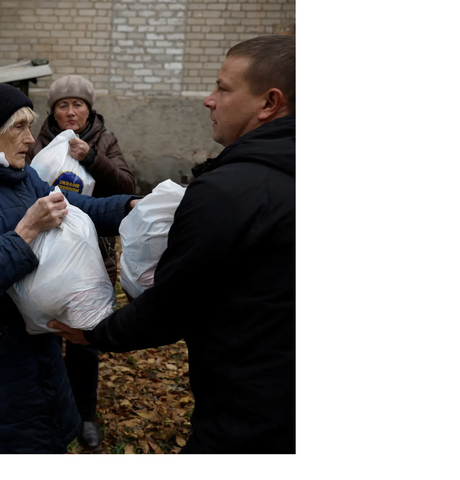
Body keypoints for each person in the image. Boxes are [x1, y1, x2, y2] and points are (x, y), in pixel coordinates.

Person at [51, 35, 295, 453]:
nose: (208, 99)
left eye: (223, 87)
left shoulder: (228, 192)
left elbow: (173, 303)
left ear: (268, 103)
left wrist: (97, 334)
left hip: (250, 411)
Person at [0, 83, 138, 454]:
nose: (30, 138)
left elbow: (72, 206)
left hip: (37, 344)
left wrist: (130, 208)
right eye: (19, 127)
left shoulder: (22, 175)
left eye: (30, 126)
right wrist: (27, 229)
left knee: (41, 434)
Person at [25, 74, 137, 451]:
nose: (71, 112)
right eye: (62, 105)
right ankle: (47, 409)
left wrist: (93, 159)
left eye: (78, 104)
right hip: (45, 252)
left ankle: (85, 414)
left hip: (93, 251)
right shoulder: (36, 141)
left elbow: (126, 186)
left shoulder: (104, 140)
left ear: (89, 109)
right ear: (52, 112)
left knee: (85, 336)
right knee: (39, 331)